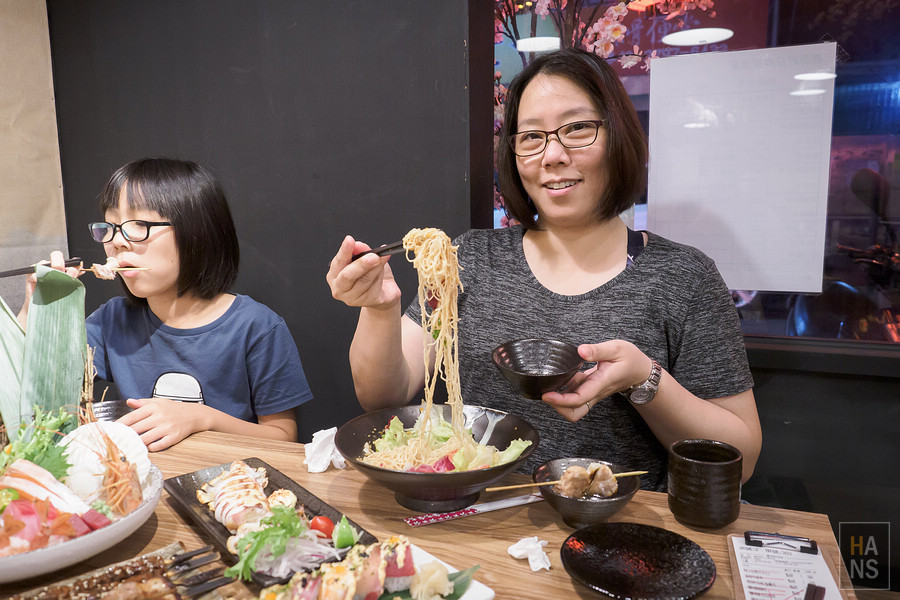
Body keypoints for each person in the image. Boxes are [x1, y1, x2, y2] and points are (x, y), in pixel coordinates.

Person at [326, 48, 761, 491]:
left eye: (577, 129)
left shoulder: (683, 277)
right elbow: (384, 394)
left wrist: (643, 379)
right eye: (531, 137)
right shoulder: (466, 258)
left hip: (611, 538)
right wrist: (379, 309)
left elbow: (739, 459)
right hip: (473, 526)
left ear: (619, 136)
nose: (551, 155)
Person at [19, 158, 313, 451]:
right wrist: (38, 312)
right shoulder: (111, 320)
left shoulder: (256, 327)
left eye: (139, 224)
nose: (117, 242)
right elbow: (37, 392)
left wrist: (202, 418)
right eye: (110, 226)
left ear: (197, 233)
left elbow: (283, 437)